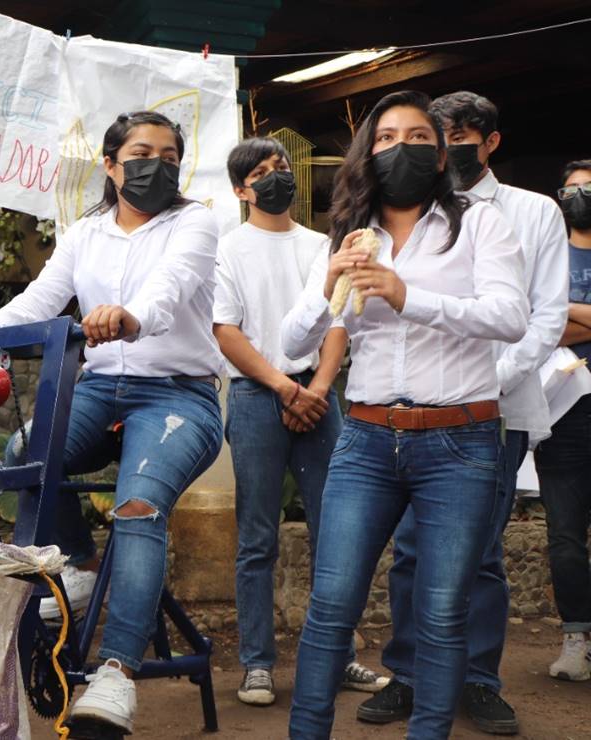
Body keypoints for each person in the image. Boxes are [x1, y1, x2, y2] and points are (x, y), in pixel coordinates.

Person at [0, 110, 224, 734]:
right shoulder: (83, 234)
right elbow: (38, 300)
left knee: (138, 505)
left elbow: (172, 284)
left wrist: (131, 316)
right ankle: (76, 569)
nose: (155, 164)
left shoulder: (195, 221)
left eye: (169, 155)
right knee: (25, 451)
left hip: (178, 396)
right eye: (140, 152)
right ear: (110, 165)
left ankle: (117, 673)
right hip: (99, 387)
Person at [281, 90, 528, 739]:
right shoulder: (348, 238)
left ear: (442, 151)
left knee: (443, 613)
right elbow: (291, 344)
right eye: (387, 137)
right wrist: (328, 282)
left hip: (460, 442)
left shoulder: (479, 224)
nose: (403, 148)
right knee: (331, 608)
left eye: (419, 137)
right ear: (368, 152)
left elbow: (510, 317)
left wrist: (407, 296)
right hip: (365, 440)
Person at [360, 91, 569, 735]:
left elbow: (546, 315)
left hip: (496, 410)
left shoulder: (534, 213)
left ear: (486, 141)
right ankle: (409, 673)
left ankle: (478, 679)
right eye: (434, 133)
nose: (442, 145)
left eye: (456, 134)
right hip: (413, 411)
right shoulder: (399, 217)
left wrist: (487, 381)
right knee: (410, 552)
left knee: (479, 554)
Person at [212, 137, 386, 706]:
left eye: (280, 167)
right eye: (260, 173)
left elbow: (338, 322)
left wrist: (316, 387)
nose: (275, 178)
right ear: (241, 190)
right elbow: (226, 331)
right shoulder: (227, 248)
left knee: (336, 533)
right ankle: (257, 664)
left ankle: (339, 658)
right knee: (257, 537)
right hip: (259, 397)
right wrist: (285, 386)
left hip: (318, 394)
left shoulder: (323, 246)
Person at [534, 159, 591, 683]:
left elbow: (555, 319)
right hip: (563, 408)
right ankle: (576, 638)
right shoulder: (549, 253)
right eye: (570, 189)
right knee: (565, 535)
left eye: (589, 189)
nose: (579, 196)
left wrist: (566, 313)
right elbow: (535, 326)